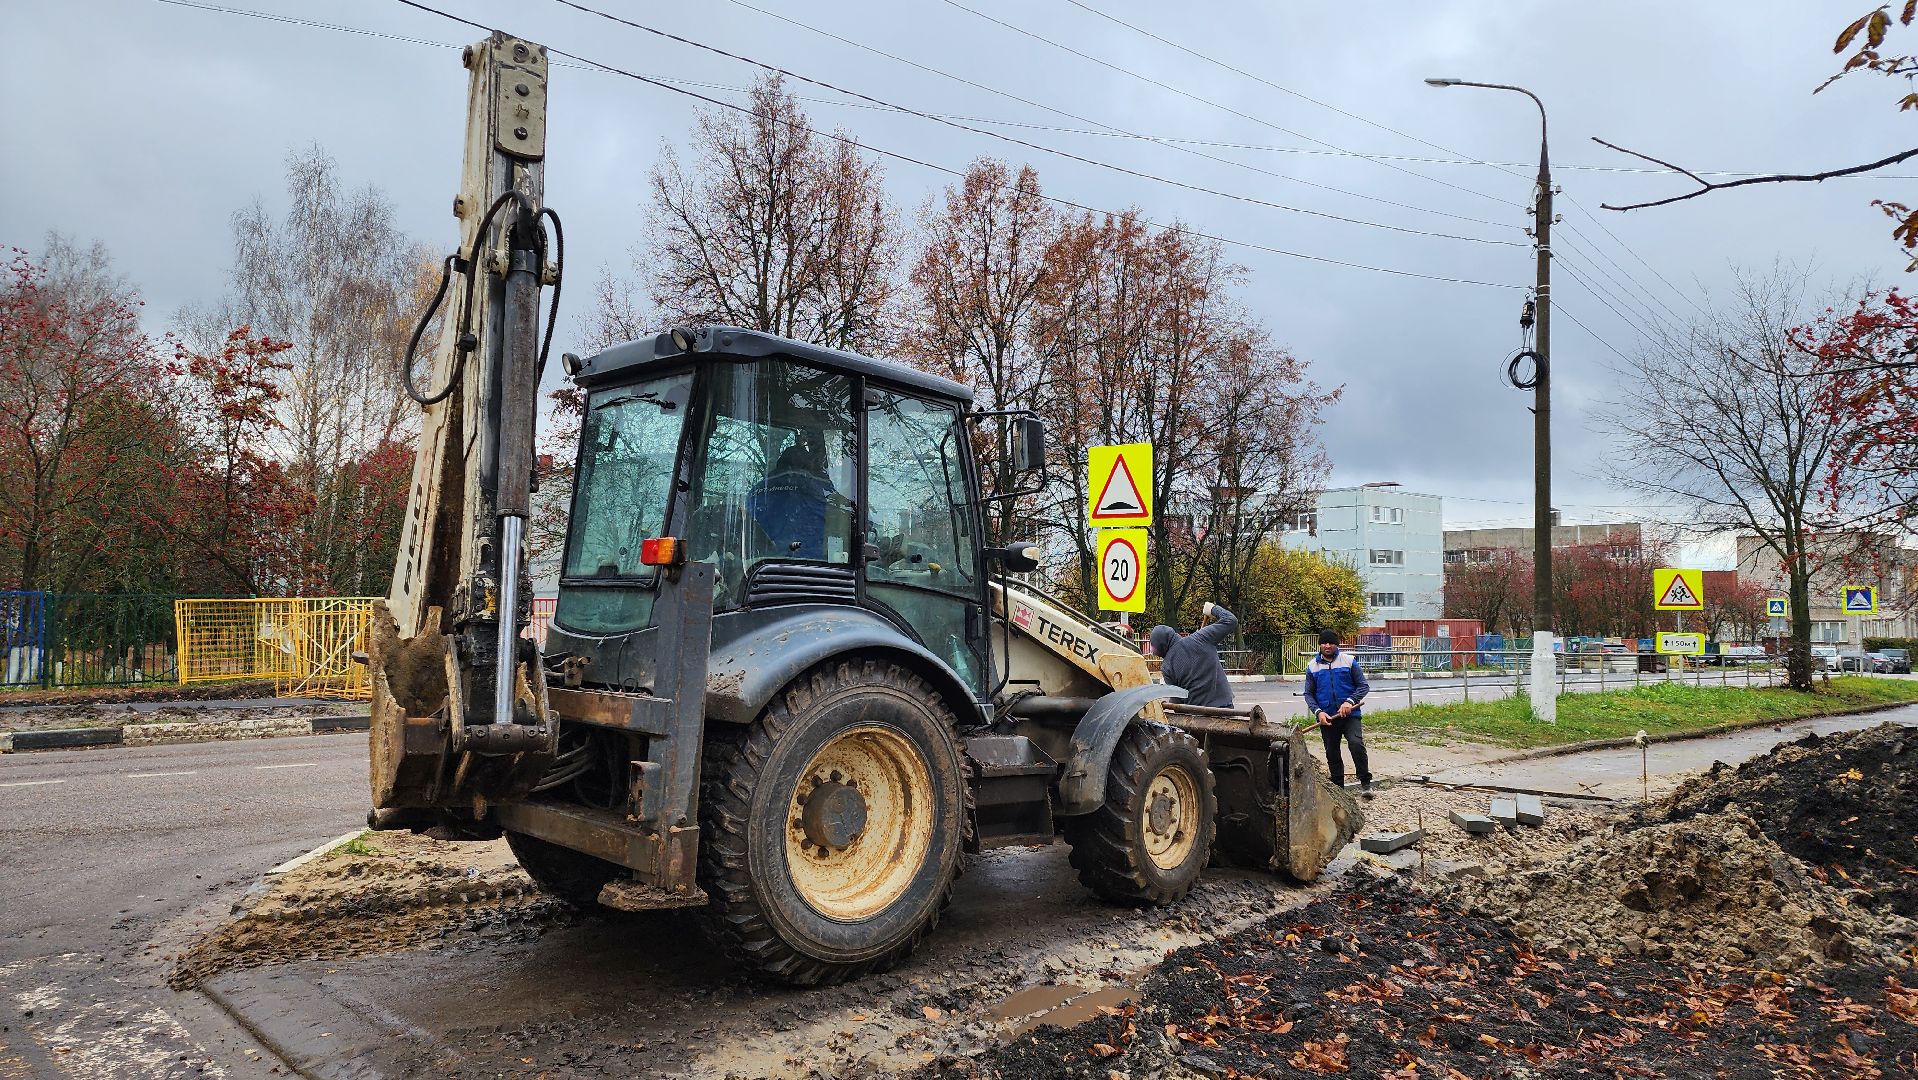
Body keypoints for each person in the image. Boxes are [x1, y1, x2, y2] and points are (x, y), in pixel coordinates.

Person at [1304, 629, 1373, 798]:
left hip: (1350, 715)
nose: (1327, 646)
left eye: (1331, 643)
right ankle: (1338, 790)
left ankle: (1365, 784)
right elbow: (1309, 694)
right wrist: (1319, 712)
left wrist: (1350, 701)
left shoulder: (1348, 661)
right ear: (1320, 645)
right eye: (1324, 643)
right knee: (1332, 752)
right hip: (1327, 718)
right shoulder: (1312, 666)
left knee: (1356, 744)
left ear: (1337, 644)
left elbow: (1363, 686)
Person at [746, 441, 841, 560]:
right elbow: (841, 514)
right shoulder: (815, 486)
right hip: (812, 564)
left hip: (761, 563)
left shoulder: (755, 490)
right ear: (806, 466)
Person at [1148, 602, 1238, 709]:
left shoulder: (1167, 667)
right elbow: (1231, 620)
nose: (1153, 652)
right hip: (1224, 707)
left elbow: (1177, 701)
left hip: (1197, 715)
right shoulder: (1201, 638)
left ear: (1161, 646)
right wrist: (1213, 609)